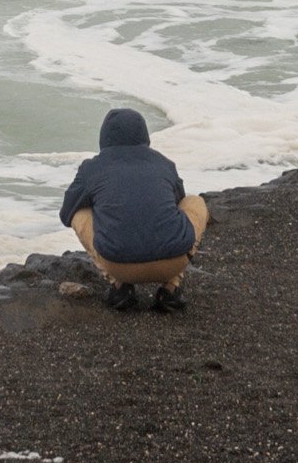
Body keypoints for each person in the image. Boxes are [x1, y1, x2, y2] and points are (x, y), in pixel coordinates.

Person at [59, 107, 208, 313]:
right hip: (174, 260)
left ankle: (120, 287)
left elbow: (66, 213)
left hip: (118, 264)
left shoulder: (92, 168)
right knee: (195, 202)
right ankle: (171, 288)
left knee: (80, 213)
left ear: (104, 137)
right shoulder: (164, 163)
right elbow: (178, 203)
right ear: (144, 134)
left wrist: (104, 209)